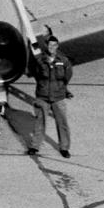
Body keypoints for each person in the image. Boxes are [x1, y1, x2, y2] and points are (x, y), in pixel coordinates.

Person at [32, 30, 74, 158]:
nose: (52, 48)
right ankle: (34, 146)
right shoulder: (40, 61)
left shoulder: (64, 61)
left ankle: (64, 148)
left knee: (62, 123)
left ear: (57, 46)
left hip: (58, 97)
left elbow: (67, 76)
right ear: (47, 46)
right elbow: (36, 74)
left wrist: (62, 89)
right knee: (40, 122)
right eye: (50, 45)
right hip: (43, 96)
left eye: (54, 45)